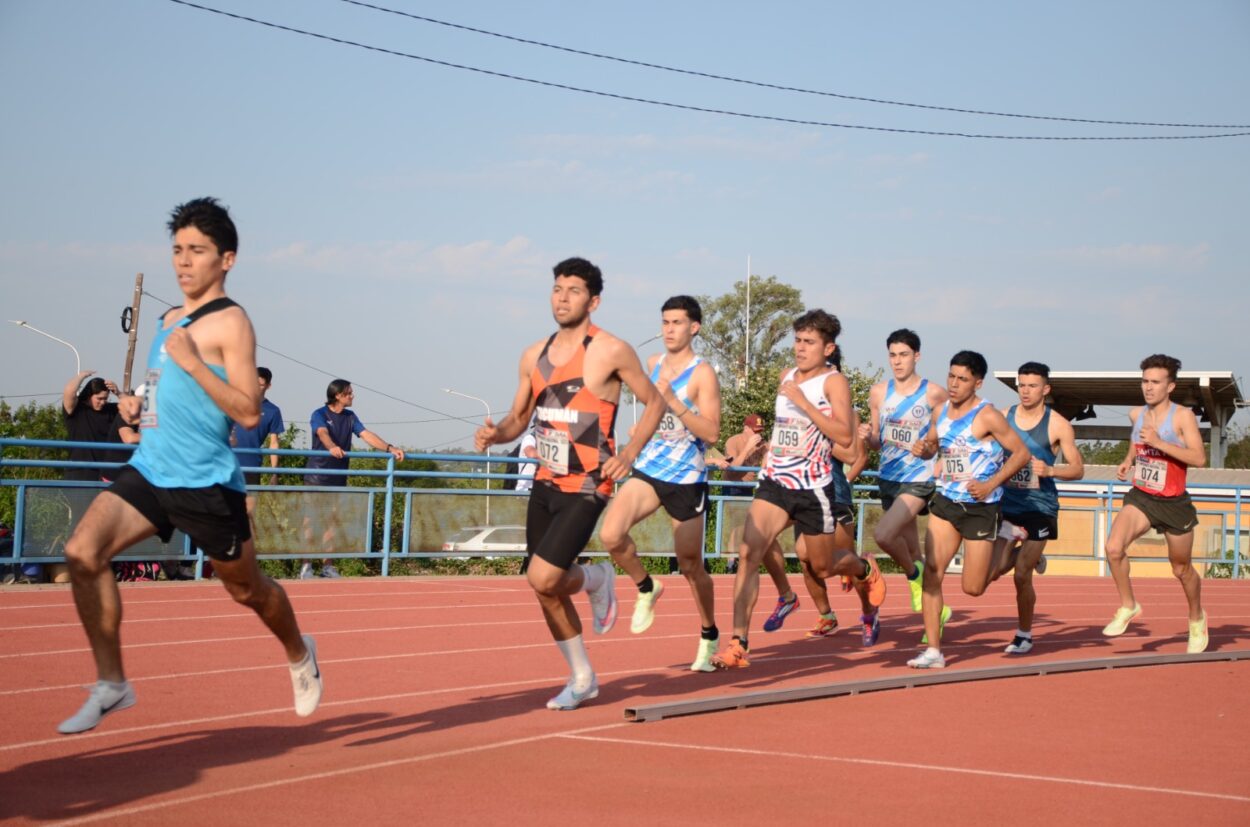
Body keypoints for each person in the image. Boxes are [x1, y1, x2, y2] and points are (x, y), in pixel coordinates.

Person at [57, 197, 320, 734]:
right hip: (151, 469)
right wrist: (135, 403)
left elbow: (247, 410)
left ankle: (299, 651)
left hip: (205, 482)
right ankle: (113, 684)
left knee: (248, 591)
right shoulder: (167, 319)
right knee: (82, 553)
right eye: (177, 250)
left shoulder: (231, 323)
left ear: (227, 259)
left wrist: (196, 363)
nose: (182, 261)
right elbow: (164, 387)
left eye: (196, 251)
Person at [475, 256, 665, 710]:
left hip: (588, 483)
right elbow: (519, 418)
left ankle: (597, 578)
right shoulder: (533, 355)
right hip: (544, 482)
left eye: (573, 290)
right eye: (557, 289)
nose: (562, 298)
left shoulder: (610, 350)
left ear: (593, 300)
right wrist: (494, 434)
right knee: (541, 585)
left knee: (544, 574)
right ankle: (582, 675)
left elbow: (654, 403)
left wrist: (629, 453)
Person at [712, 310, 886, 668]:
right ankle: (737, 643)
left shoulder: (833, 383)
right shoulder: (785, 376)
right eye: (797, 340)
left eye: (809, 342)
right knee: (749, 553)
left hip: (814, 489)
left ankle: (865, 571)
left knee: (821, 567)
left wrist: (805, 404)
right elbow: (786, 428)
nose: (800, 348)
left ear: (828, 348)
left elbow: (845, 437)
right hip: (776, 482)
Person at [598, 296, 722, 672]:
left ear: (694, 328)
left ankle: (708, 633)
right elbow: (652, 414)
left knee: (690, 566)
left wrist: (676, 406)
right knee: (611, 535)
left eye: (677, 323)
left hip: (686, 478)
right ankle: (646, 586)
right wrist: (642, 428)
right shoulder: (651, 365)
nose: (669, 329)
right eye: (665, 322)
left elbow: (712, 432)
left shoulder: (702, 375)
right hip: (650, 469)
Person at [906, 351, 1031, 669]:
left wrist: (991, 485)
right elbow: (934, 445)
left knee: (973, 588)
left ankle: (1008, 540)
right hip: (946, 503)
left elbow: (1020, 454)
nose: (954, 384)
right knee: (932, 575)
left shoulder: (987, 416)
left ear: (977, 382)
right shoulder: (940, 411)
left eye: (962, 379)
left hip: (980, 508)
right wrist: (924, 450)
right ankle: (934, 651)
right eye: (951, 376)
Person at [1102, 354, 1208, 653]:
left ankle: (1196, 618)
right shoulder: (1137, 414)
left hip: (1174, 503)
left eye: (1155, 382)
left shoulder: (1182, 416)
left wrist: (1159, 443)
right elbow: (1137, 441)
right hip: (1142, 496)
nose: (1148, 387)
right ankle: (1128, 605)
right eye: (1145, 381)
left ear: (1170, 386)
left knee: (1181, 569)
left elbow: (1199, 458)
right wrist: (1127, 461)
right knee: (1113, 547)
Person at [990, 362, 1084, 654]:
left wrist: (1050, 471)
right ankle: (1031, 556)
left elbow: (1077, 469)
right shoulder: (1004, 417)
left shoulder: (1058, 425)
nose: (1025, 391)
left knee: (1021, 575)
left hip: (1040, 507)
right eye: (1021, 385)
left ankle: (1024, 635)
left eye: (1032, 386)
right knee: (992, 573)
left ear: (1046, 389)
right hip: (1007, 505)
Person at [859, 329, 948, 624]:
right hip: (889, 478)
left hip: (918, 479)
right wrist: (866, 436)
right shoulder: (878, 392)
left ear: (917, 356)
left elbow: (946, 435)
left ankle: (912, 575)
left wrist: (930, 452)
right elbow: (876, 442)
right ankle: (937, 614)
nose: (898, 361)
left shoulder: (933, 393)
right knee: (912, 549)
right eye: (893, 355)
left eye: (904, 355)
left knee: (884, 535)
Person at [708, 415, 803, 633]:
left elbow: (768, 469)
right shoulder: (734, 441)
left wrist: (769, 453)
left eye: (761, 430)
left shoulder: (766, 444)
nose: (758, 434)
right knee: (743, 534)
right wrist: (748, 448)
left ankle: (787, 595)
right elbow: (731, 471)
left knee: (759, 534)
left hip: (760, 489)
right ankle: (733, 563)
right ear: (746, 429)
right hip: (734, 487)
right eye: (754, 431)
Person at [300, 379, 404, 578]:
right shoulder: (319, 414)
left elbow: (366, 435)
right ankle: (306, 566)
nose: (352, 396)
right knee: (311, 522)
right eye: (349, 393)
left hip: (338, 476)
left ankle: (327, 567)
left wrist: (390, 448)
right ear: (338, 395)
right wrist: (331, 446)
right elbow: (322, 433)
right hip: (316, 476)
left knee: (332, 522)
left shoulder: (350, 417)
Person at [231, 367, 284, 515]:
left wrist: (274, 473)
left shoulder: (273, 411)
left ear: (268, 386)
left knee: (248, 513)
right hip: (227, 462)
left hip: (252, 465)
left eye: (259, 384)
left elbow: (274, 443)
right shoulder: (235, 401)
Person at [61, 372, 123, 481]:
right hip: (79, 472)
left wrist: (119, 393)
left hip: (105, 473)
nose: (103, 402)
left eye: (105, 398)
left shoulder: (110, 410)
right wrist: (81, 377)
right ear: (89, 395)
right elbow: (69, 393)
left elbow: (133, 407)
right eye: (99, 398)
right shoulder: (77, 410)